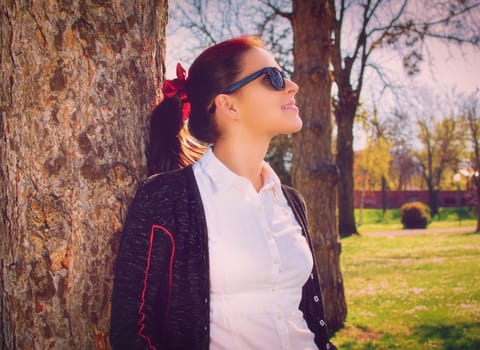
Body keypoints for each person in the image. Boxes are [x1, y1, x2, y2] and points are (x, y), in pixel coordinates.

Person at [110, 35, 336, 350]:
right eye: (273, 77)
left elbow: (305, 318)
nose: (292, 85)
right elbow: (133, 332)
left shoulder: (290, 201)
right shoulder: (167, 199)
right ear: (228, 105)